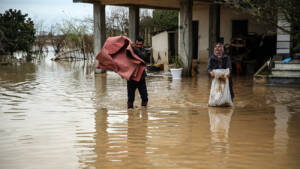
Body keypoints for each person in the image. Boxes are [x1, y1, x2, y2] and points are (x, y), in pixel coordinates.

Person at [127, 37, 148, 109]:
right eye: (137, 44)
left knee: (145, 97)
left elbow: (143, 56)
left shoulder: (143, 50)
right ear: (135, 43)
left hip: (141, 78)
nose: (139, 46)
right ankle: (130, 113)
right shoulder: (130, 50)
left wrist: (134, 48)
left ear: (142, 44)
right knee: (130, 98)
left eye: (140, 45)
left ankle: (144, 112)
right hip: (131, 77)